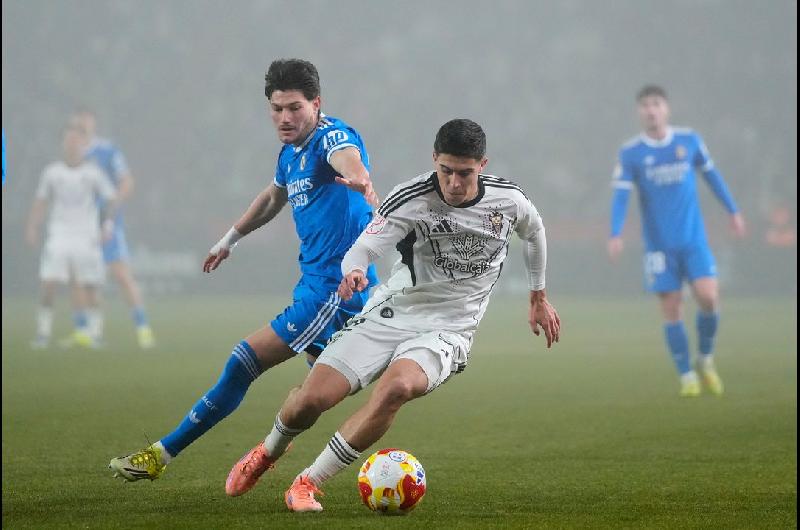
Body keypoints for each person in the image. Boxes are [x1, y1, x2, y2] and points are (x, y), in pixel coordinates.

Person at [224, 118, 561, 512]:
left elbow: (534, 232)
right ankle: (267, 451)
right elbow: (363, 249)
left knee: (397, 389)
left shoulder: (509, 200)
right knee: (310, 401)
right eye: (446, 170)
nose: (453, 182)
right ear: (434, 159)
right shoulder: (411, 198)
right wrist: (353, 270)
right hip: (393, 310)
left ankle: (307, 483)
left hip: (450, 328)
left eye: (464, 173)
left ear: (482, 164)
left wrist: (538, 295)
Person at [109, 58, 379, 482]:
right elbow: (274, 198)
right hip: (314, 286)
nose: (285, 118)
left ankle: (161, 455)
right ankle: (278, 448)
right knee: (309, 400)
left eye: (294, 108)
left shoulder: (333, 137)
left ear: (316, 104)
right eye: (276, 109)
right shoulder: (291, 153)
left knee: (242, 362)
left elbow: (350, 161)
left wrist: (360, 178)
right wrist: (229, 239)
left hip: (333, 292)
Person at [607, 85, 746, 397]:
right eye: (645, 105)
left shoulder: (689, 141)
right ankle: (687, 376)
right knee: (672, 307)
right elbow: (621, 196)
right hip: (659, 246)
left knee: (709, 298)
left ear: (666, 108)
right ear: (639, 112)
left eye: (656, 104)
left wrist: (733, 211)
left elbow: (712, 176)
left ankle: (705, 358)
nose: (651, 110)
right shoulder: (631, 153)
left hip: (694, 240)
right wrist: (615, 233)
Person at [68, 109, 156, 349]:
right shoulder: (73, 153)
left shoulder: (107, 151)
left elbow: (127, 180)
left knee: (121, 274)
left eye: (85, 122)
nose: (80, 127)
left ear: (93, 124)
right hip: (79, 226)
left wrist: (111, 211)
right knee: (83, 279)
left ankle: (143, 328)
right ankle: (89, 332)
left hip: (105, 224)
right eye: (76, 123)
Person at [26, 124, 118, 348]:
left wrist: (107, 224)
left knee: (91, 285)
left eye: (77, 142)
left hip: (87, 236)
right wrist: (32, 226)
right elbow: (41, 201)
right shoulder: (52, 172)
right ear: (63, 144)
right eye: (69, 141)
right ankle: (43, 333)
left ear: (83, 146)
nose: (73, 145)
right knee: (48, 283)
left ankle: (95, 335)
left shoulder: (93, 173)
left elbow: (110, 199)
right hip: (59, 234)